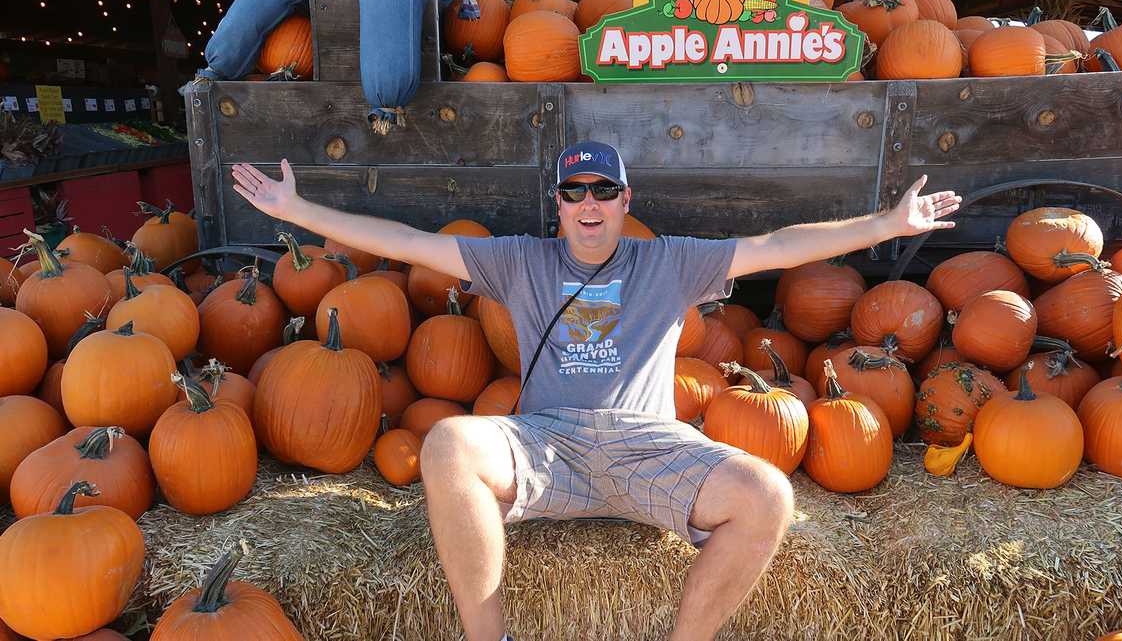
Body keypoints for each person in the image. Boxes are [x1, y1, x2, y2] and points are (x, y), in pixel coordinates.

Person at [231, 141, 960, 641]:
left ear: (623, 199)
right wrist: (299, 214)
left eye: (603, 191)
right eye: (575, 190)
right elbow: (404, 240)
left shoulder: (669, 260)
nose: (589, 203)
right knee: (450, 440)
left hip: (650, 444)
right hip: (547, 439)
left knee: (768, 494)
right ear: (557, 200)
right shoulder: (518, 259)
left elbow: (778, 246)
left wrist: (887, 224)